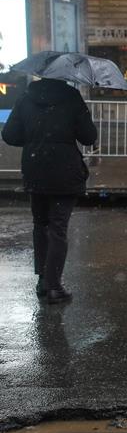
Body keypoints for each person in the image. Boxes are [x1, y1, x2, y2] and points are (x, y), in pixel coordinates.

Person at [1, 78, 98, 304]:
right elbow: (89, 137)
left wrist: (36, 138)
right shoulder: (72, 98)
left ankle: (43, 280)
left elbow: (9, 135)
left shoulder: (26, 98)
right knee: (58, 227)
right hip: (65, 170)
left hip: (36, 169)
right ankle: (55, 286)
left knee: (40, 224)